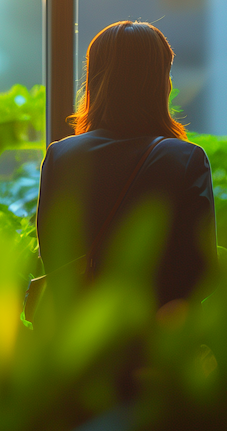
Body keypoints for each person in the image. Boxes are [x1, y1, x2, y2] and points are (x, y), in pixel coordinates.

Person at [36, 21, 217, 305]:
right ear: (160, 83)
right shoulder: (185, 159)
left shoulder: (61, 156)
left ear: (94, 80)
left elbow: (53, 255)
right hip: (154, 336)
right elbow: (199, 272)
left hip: (81, 335)